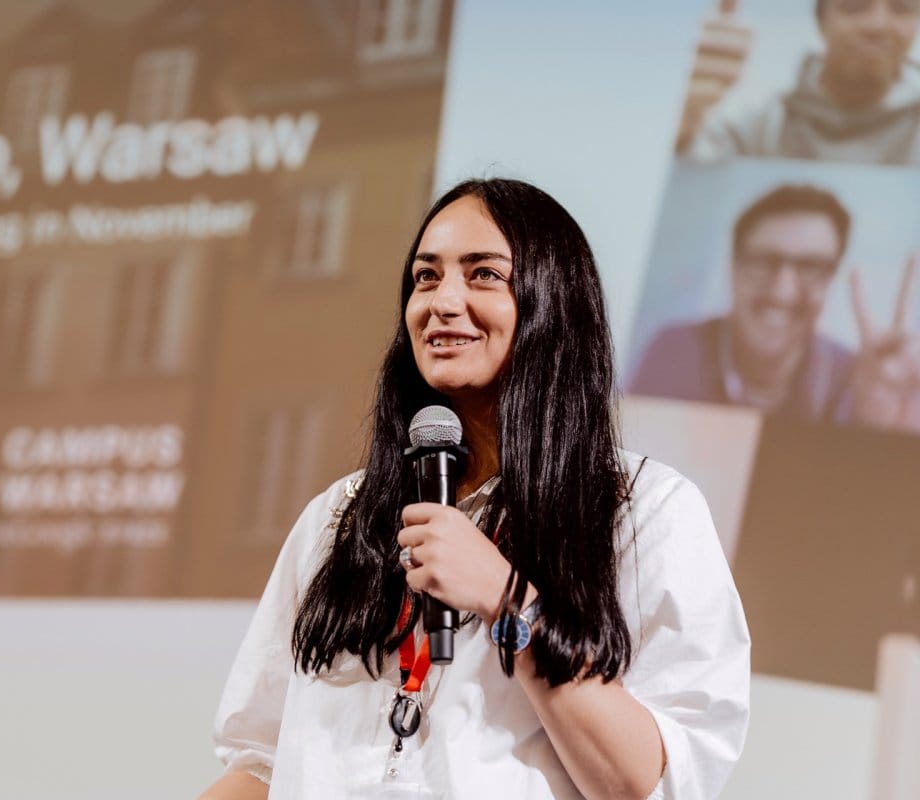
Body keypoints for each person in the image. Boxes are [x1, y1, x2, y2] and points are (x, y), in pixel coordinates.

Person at [201, 179, 750, 799]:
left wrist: (508, 599)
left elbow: (654, 780)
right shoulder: (340, 514)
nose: (442, 301)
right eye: (426, 277)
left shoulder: (645, 509)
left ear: (553, 300)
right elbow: (259, 761)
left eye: (483, 273)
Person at [630, 184, 920, 430]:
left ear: (832, 277)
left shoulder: (858, 379)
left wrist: (876, 429)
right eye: (764, 262)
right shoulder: (673, 350)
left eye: (810, 267)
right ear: (734, 266)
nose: (781, 292)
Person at [680, 0, 920, 164]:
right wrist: (682, 115)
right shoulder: (759, 128)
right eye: (854, 6)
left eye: (901, 8)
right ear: (821, 23)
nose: (877, 26)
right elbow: (692, 167)